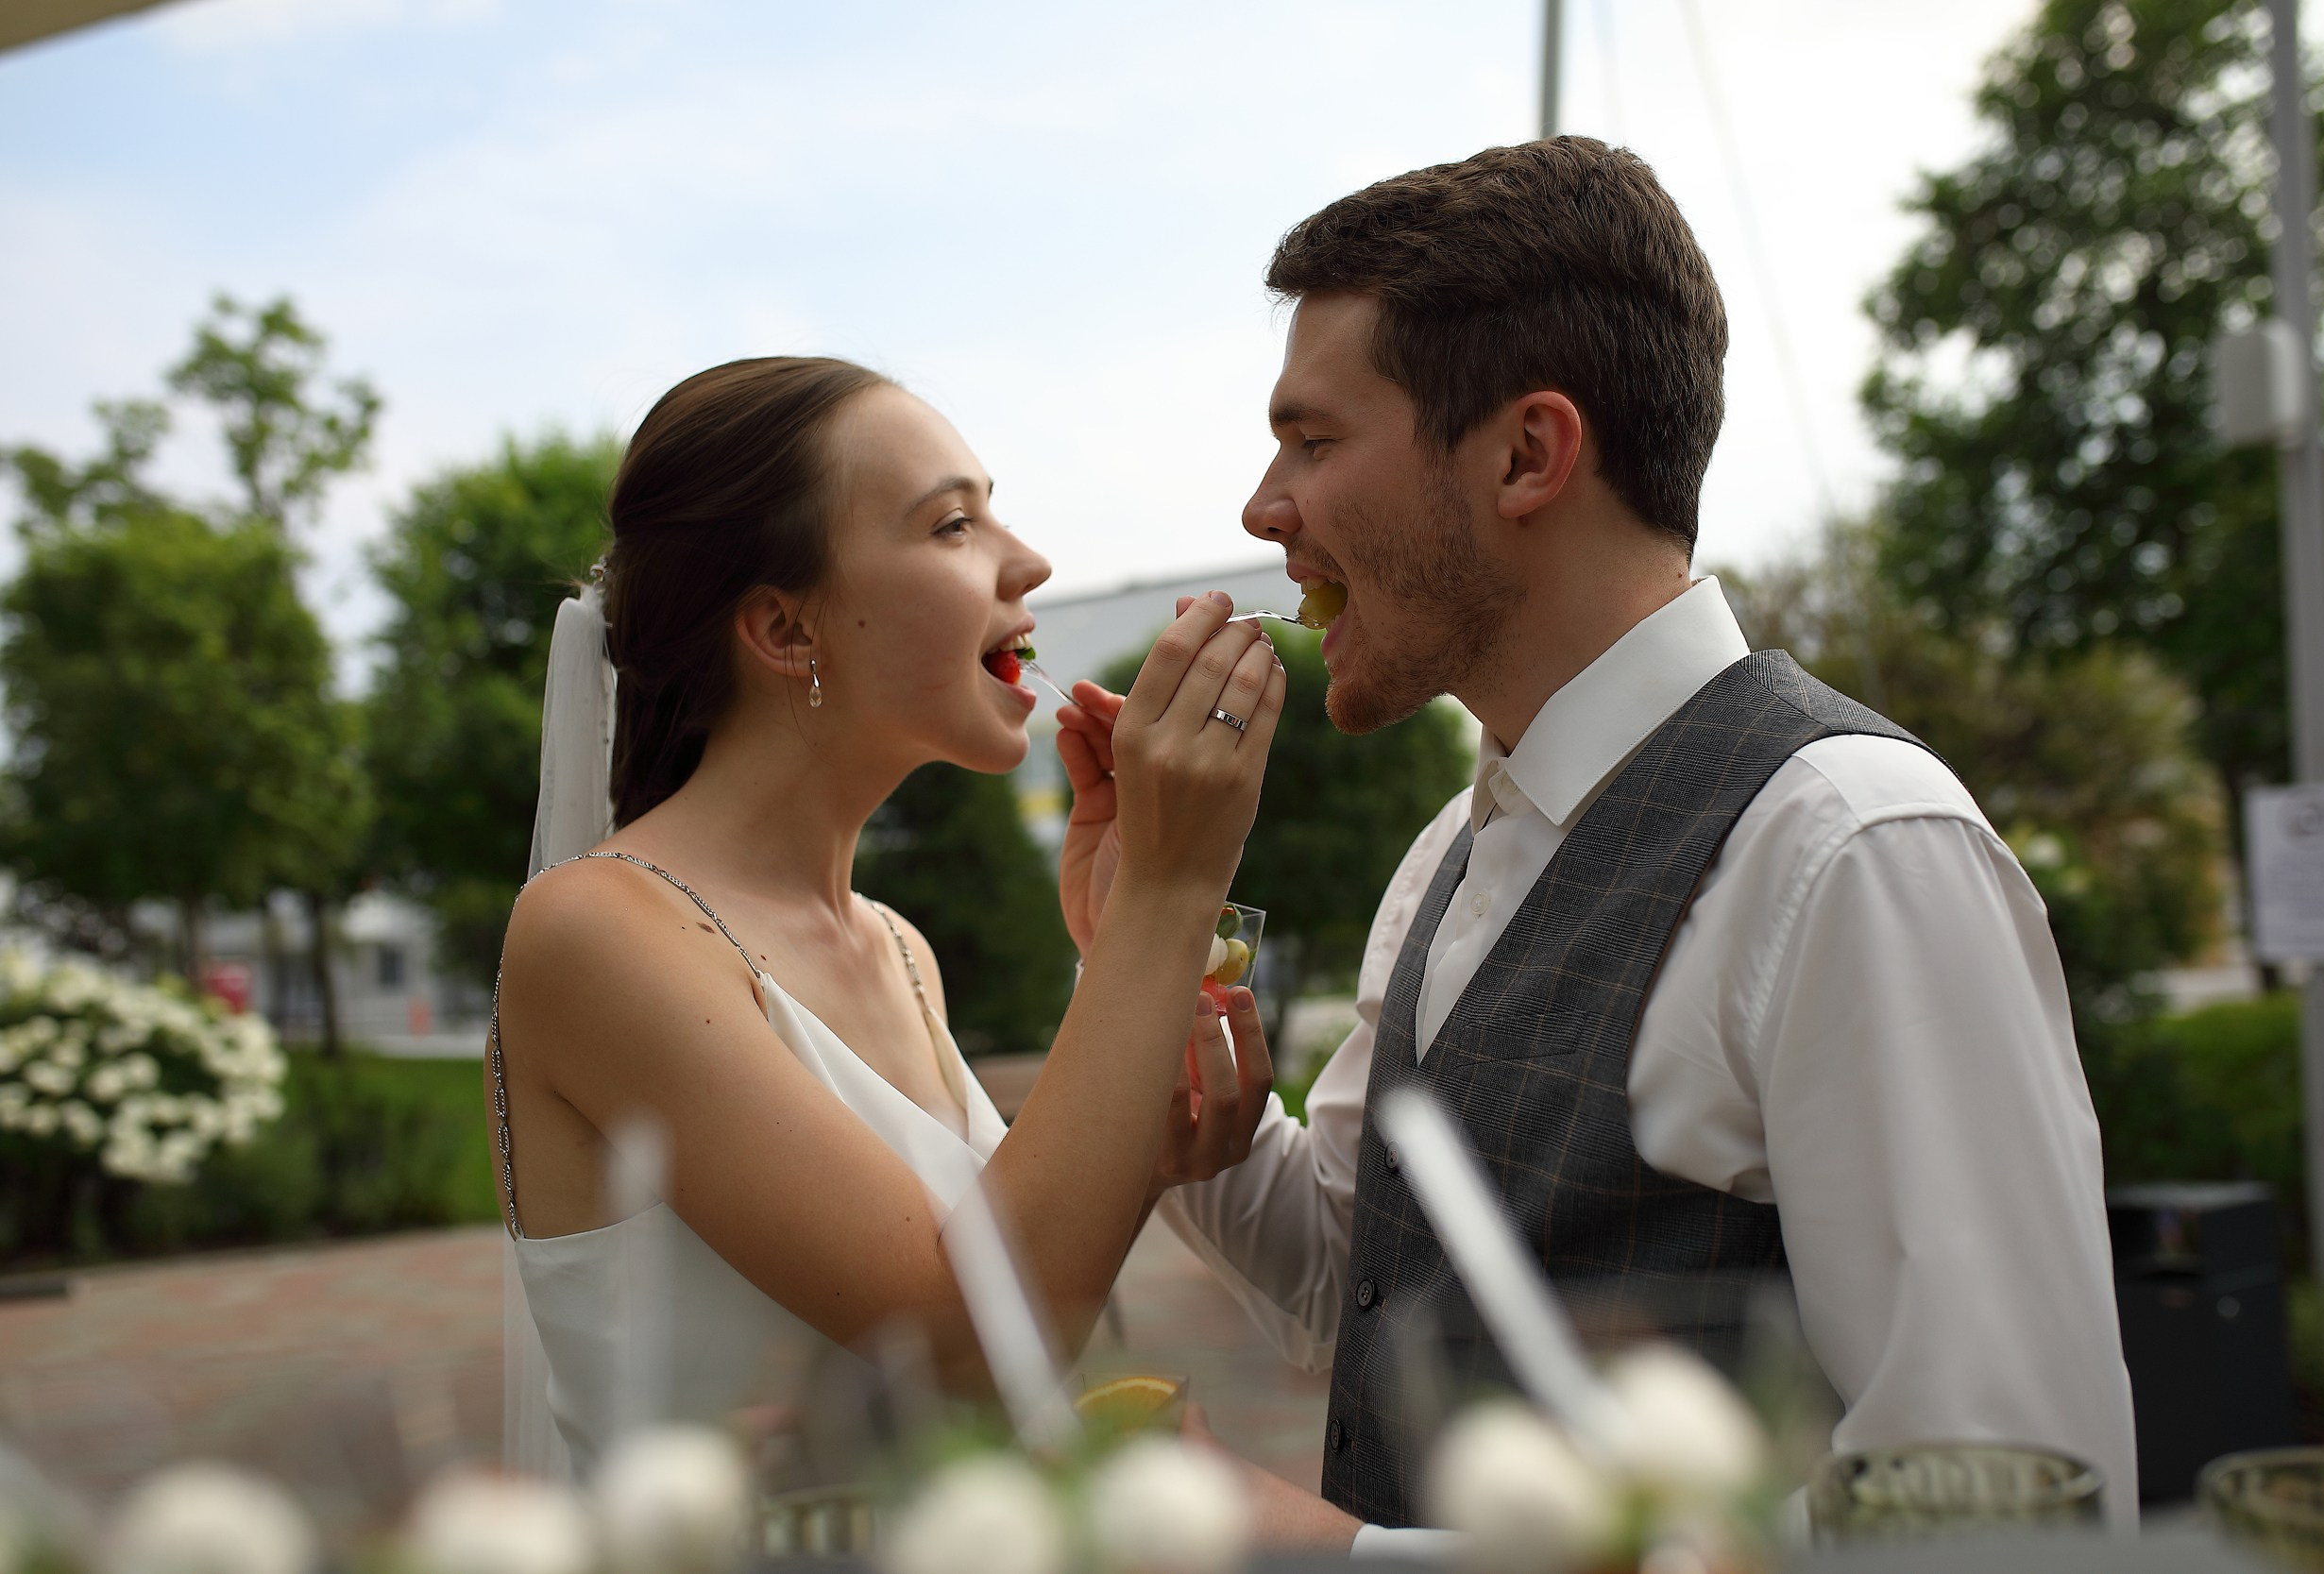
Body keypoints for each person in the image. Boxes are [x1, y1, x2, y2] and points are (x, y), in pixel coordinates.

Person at [1061, 138, 2138, 1550]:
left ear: (1526, 453)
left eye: (1314, 441)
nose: (1268, 511)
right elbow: (1369, 1277)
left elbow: (2001, 1521)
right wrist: (1155, 982)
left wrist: (1321, 1552)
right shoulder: (1453, 844)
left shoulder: (1853, 850)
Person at [487, 356, 1281, 1473]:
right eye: (954, 524)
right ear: (783, 629)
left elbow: (998, 1327)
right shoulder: (597, 931)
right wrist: (1166, 889)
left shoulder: (899, 948)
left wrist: (1141, 1124)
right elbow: (958, 1347)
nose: (1031, 559)